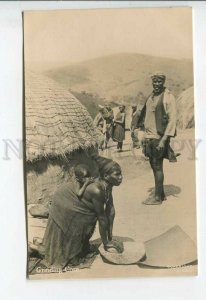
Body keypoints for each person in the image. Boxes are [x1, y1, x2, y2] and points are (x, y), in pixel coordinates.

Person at [36, 157, 123, 268]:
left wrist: (110, 237)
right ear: (106, 176)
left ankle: (76, 247)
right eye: (117, 174)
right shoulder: (97, 190)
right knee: (75, 230)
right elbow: (101, 217)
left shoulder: (107, 187)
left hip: (75, 200)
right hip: (65, 201)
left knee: (90, 218)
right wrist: (106, 243)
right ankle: (39, 248)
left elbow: (110, 210)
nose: (121, 177)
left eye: (121, 174)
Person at [136, 72, 177, 205]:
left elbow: (172, 120)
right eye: (155, 82)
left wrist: (164, 140)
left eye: (160, 82)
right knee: (154, 166)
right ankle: (161, 194)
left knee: (157, 166)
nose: (157, 84)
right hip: (149, 137)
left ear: (163, 82)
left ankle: (157, 198)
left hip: (159, 137)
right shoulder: (151, 97)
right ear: (152, 82)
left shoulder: (168, 98)